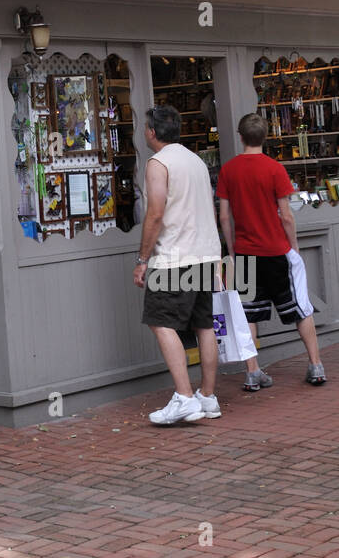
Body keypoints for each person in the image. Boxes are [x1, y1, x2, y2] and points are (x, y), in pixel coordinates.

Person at [217, 112, 326, 389]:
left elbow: (225, 217)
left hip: (245, 252)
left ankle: (252, 372)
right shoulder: (275, 169)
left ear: (240, 137)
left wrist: (231, 249)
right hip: (276, 249)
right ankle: (315, 365)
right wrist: (294, 247)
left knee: (249, 314)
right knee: (300, 309)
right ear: (265, 138)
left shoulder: (228, 170)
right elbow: (286, 215)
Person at [134, 105, 222, 425]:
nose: (144, 131)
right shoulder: (196, 161)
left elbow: (155, 213)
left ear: (153, 133)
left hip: (173, 257)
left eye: (145, 127)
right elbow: (209, 210)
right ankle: (208, 396)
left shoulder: (158, 163)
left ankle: (184, 396)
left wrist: (143, 259)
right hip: (204, 253)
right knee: (204, 325)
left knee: (161, 321)